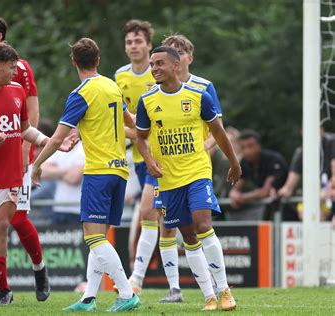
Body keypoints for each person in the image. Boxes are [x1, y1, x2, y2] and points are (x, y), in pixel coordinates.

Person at [0, 42, 75, 306]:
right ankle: (2, 291)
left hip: (10, 174)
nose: (14, 72)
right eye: (11, 68)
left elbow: (25, 129)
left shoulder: (17, 91)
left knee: (1, 226)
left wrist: (48, 141)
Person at [32, 38, 141, 312]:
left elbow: (56, 139)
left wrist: (37, 165)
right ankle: (88, 298)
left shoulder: (81, 93)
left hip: (98, 171)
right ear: (99, 60)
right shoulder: (112, 86)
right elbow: (132, 126)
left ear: (73, 63)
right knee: (99, 236)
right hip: (120, 170)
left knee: (93, 237)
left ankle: (127, 293)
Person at [136, 46, 241, 311]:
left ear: (175, 65)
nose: (154, 68)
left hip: (196, 172)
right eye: (152, 64)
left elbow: (218, 132)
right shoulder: (147, 101)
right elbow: (140, 138)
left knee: (202, 224)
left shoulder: (198, 96)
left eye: (159, 63)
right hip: (168, 180)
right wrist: (149, 161)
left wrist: (234, 161)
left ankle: (225, 290)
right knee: (188, 237)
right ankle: (208, 295)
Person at [0, 15, 50, 301]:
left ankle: (39, 269)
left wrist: (28, 154)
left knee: (15, 219)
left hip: (16, 158)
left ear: (0, 36)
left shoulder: (20, 69)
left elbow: (30, 114)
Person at [113, 19, 161, 298]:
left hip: (160, 154)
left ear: (148, 45)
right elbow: (121, 118)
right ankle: (137, 278)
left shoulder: (159, 73)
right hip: (136, 157)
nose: (133, 46)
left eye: (138, 41)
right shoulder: (120, 76)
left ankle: (139, 278)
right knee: (148, 215)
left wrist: (134, 133)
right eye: (129, 42)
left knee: (154, 216)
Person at [229, 129, 288, 221]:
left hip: (286, 205)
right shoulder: (244, 162)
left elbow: (265, 191)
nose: (247, 151)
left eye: (250, 146)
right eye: (243, 147)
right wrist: (233, 194)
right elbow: (236, 186)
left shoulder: (272, 160)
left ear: (259, 145)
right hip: (269, 207)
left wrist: (242, 197)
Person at [41, 129, 85, 225]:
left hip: (77, 210)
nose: (68, 130)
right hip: (58, 209)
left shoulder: (84, 149)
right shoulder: (59, 149)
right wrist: (66, 171)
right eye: (66, 127)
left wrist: (55, 171)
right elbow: (42, 171)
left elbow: (74, 179)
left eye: (72, 127)